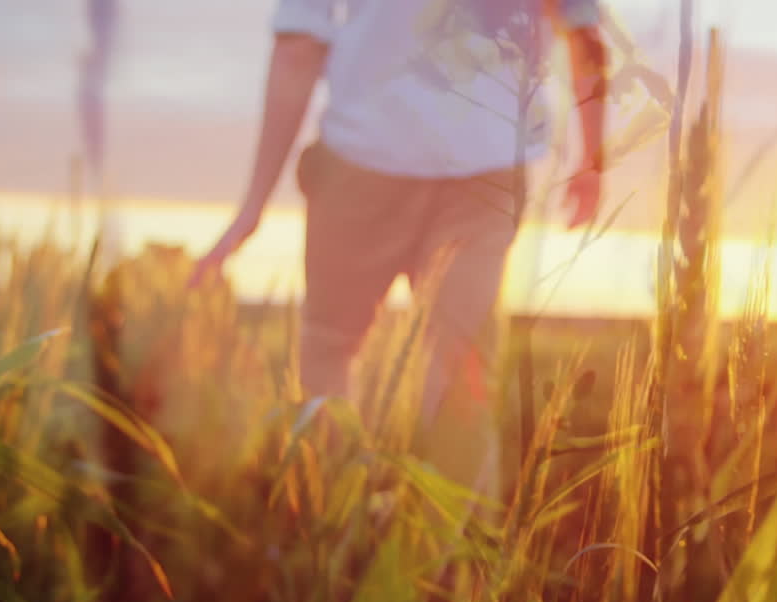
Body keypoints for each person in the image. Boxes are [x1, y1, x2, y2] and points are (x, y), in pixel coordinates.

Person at [188, 0, 607, 509]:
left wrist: (253, 205)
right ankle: (450, 549)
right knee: (462, 373)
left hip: (362, 157)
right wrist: (592, 158)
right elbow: (582, 31)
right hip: (488, 162)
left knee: (329, 351)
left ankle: (331, 527)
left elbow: (298, 47)